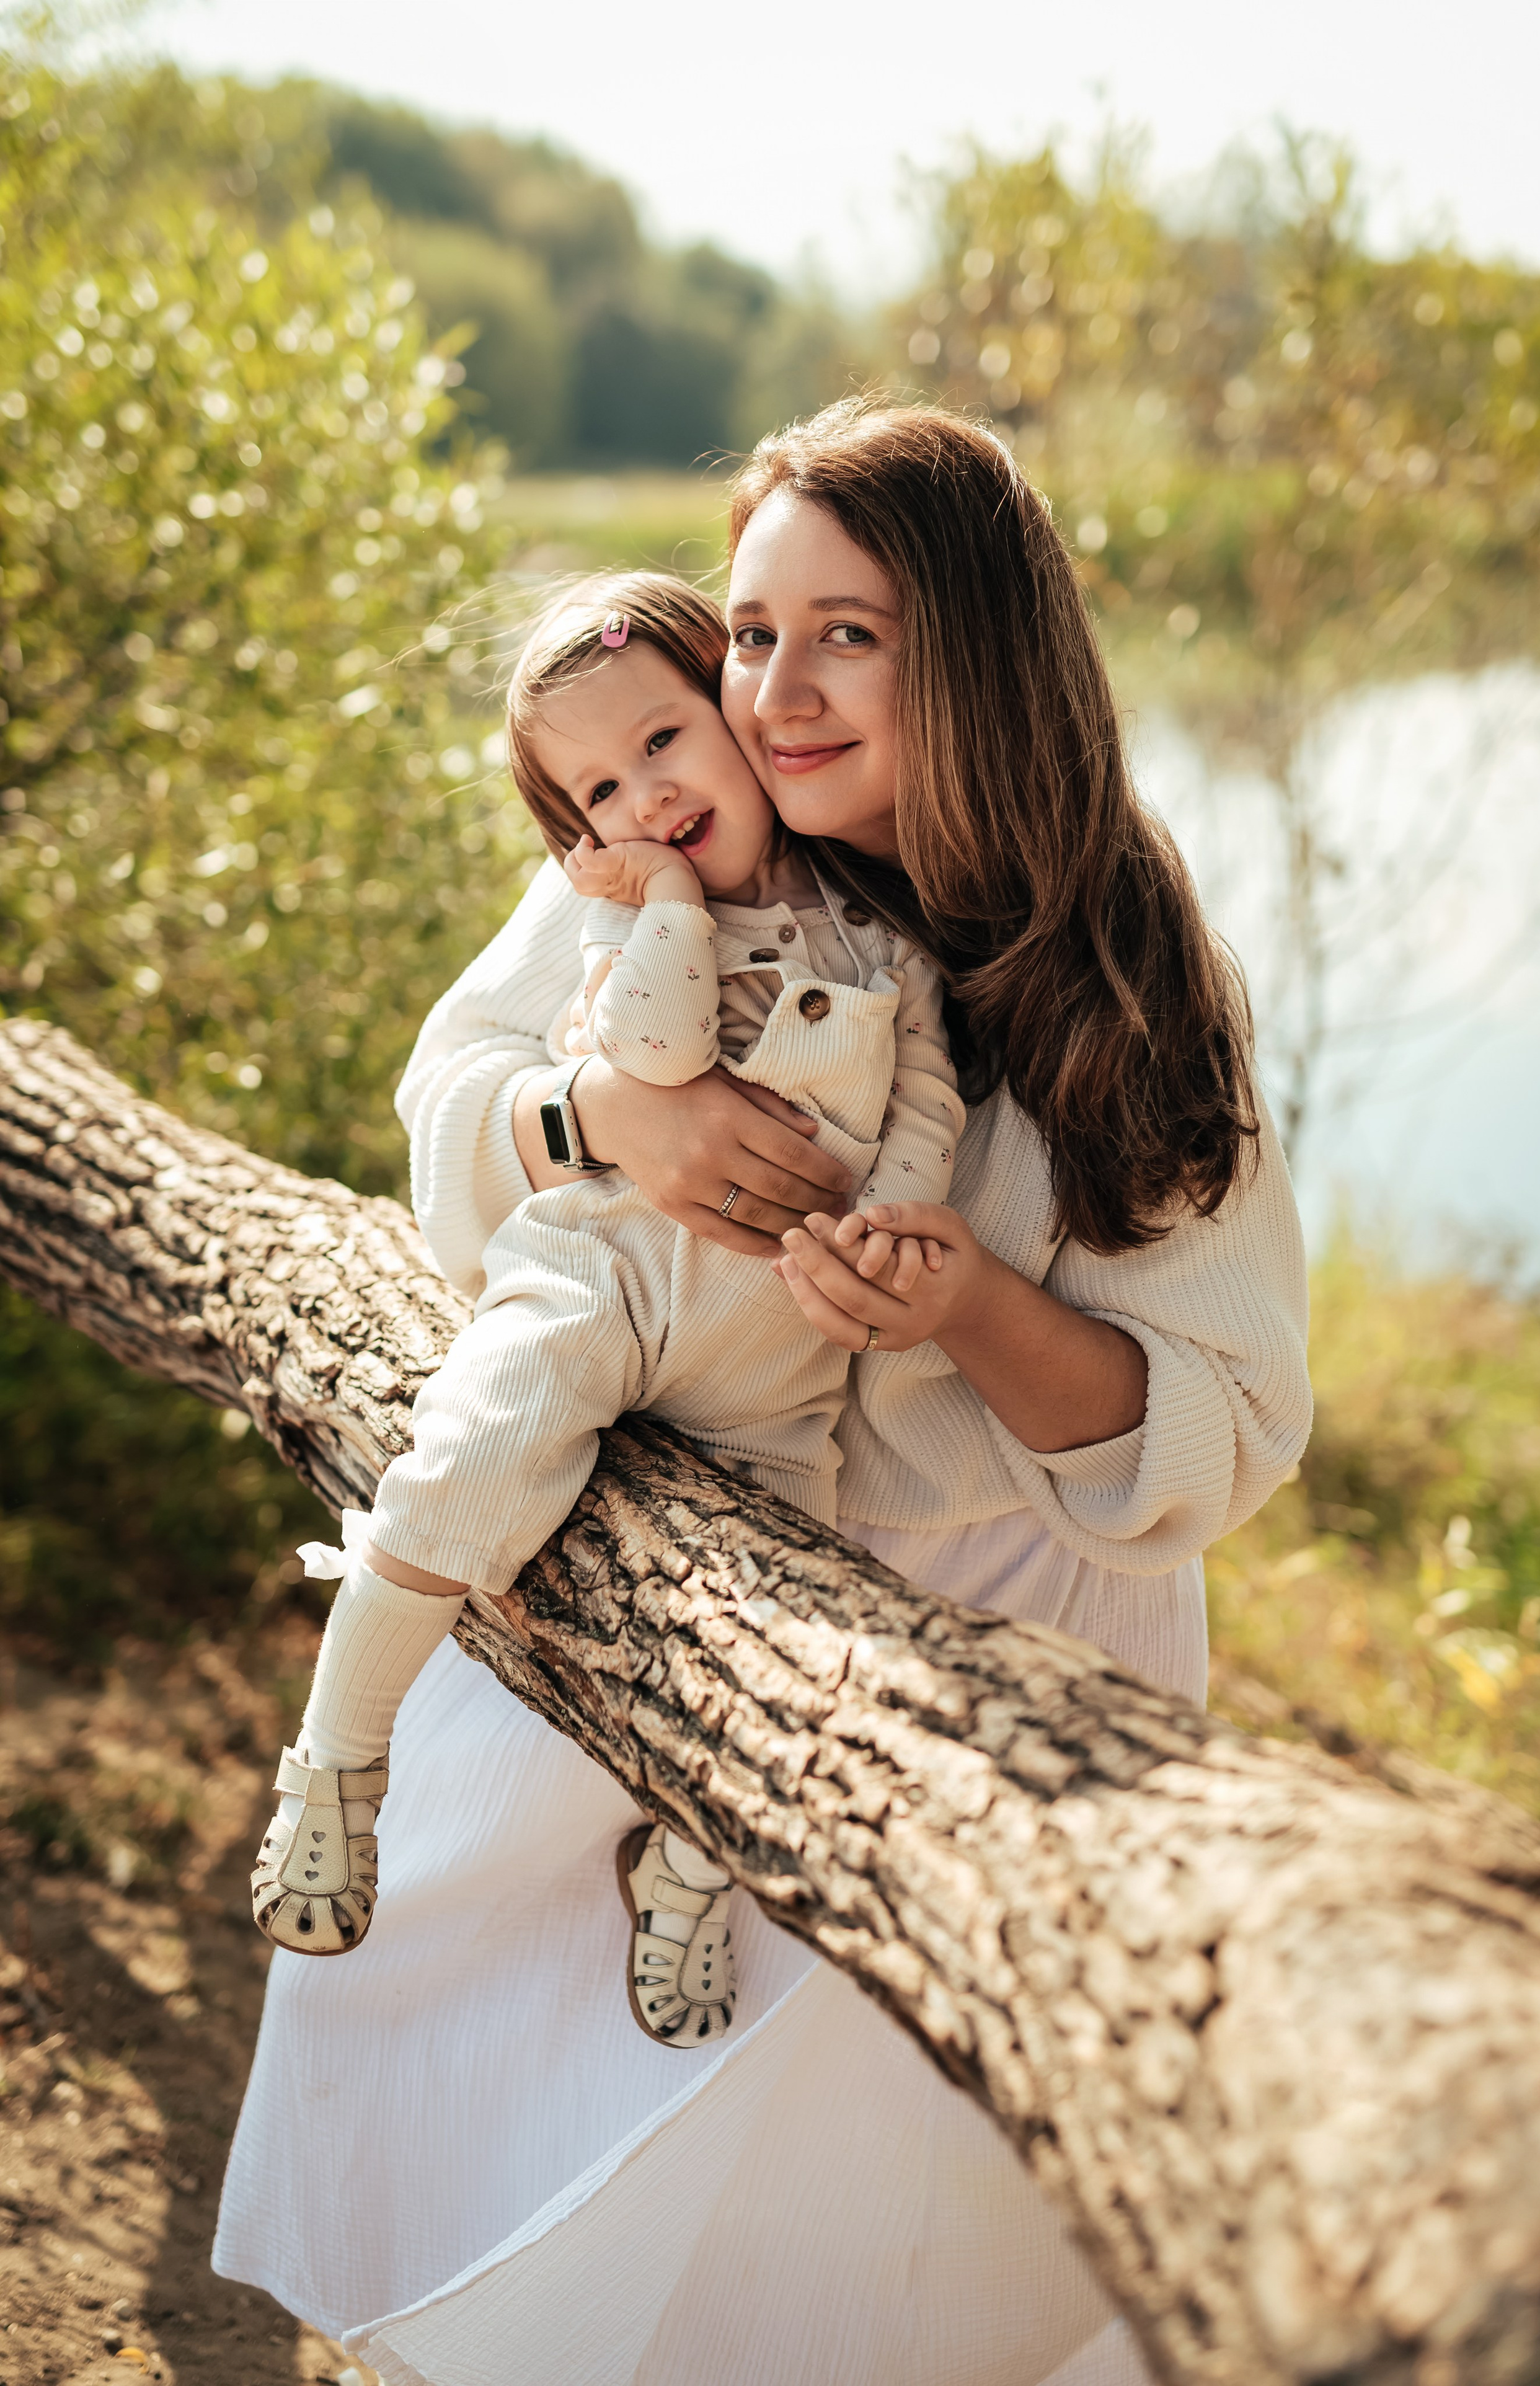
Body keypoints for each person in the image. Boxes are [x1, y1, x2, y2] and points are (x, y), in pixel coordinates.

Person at [215, 401, 1311, 2386]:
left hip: (992, 1638)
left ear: (977, 651)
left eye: (848, 636)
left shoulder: (1132, 963)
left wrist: (971, 1303)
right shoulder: (672, 839)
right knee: (518, 2090)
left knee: (861, 2246)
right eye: (746, 630)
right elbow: (445, 1111)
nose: (774, 691)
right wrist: (599, 1111)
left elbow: (1216, 1428)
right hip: (687, 1535)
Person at [249, 570, 962, 2055]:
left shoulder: (886, 945)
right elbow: (637, 1044)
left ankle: (690, 1871)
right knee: (459, 1474)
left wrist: (895, 1213)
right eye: (596, 790)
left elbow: (926, 1097)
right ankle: (335, 1762)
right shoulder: (612, 917)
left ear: (728, 707)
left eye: (662, 742)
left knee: (791, 1625)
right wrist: (662, 916)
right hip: (603, 1284)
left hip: (774, 1357)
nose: (641, 795)